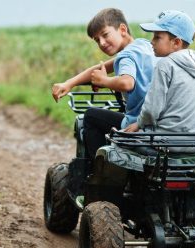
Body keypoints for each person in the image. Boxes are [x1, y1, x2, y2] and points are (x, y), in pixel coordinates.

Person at [52, 8, 158, 160]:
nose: (101, 42)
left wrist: (105, 81)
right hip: (157, 120)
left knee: (90, 116)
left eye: (105, 34)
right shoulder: (144, 46)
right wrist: (70, 83)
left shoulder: (125, 55)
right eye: (96, 40)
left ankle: (98, 170)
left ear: (122, 29)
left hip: (137, 122)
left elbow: (126, 83)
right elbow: (101, 69)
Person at [124, 10, 195, 152]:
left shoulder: (165, 65)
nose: (152, 42)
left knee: (122, 141)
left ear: (176, 42)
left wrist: (139, 123)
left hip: (167, 141)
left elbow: (151, 109)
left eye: (157, 37)